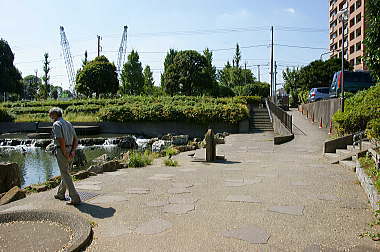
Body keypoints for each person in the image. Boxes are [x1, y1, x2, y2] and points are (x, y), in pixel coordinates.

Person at [49, 107, 81, 205]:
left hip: (62, 150)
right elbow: (76, 139)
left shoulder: (56, 124)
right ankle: (60, 194)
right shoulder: (68, 123)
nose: (49, 116)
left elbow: (61, 139)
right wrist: (72, 151)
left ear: (55, 115)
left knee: (65, 173)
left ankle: (75, 197)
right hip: (71, 149)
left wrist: (65, 153)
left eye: (50, 114)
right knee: (65, 173)